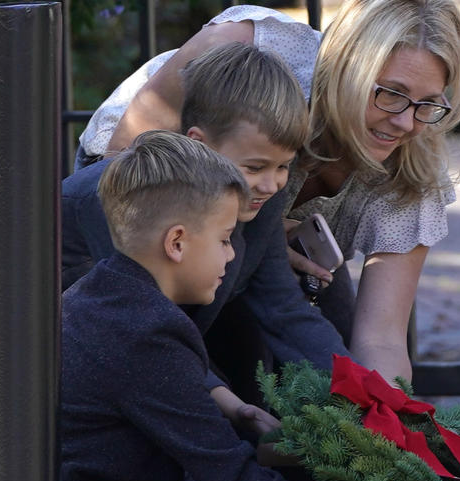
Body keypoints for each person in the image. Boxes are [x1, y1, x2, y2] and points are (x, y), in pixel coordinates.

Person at [0, 132, 388, 481]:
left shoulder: (113, 293)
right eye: (225, 239)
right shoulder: (146, 330)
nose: (230, 255)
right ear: (177, 243)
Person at [76, 0, 460, 386]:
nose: (405, 121)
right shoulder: (246, 53)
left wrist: (384, 422)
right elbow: (118, 177)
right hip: (148, 221)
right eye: (390, 93)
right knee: (189, 372)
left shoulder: (412, 165)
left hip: (263, 241)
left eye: (428, 103)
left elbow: (382, 339)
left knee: (325, 346)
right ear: (347, 67)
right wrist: (228, 233)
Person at [63, 41, 349, 416]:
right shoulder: (128, 198)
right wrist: (233, 410)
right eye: (254, 167)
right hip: (67, 364)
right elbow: (146, 329)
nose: (271, 184)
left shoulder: (259, 194)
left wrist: (365, 391)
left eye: (283, 167)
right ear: (200, 143)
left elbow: (281, 307)